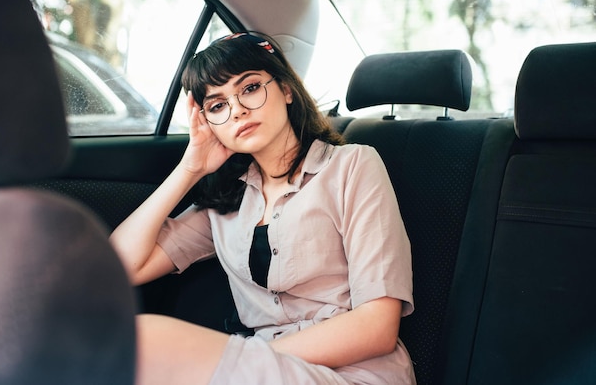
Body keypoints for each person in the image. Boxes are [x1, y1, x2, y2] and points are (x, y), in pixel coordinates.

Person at [110, 32, 415, 384]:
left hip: (353, 372)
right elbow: (120, 267)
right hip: (261, 370)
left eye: (250, 88)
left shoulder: (351, 166)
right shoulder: (227, 203)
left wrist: (244, 362)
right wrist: (190, 168)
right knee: (132, 342)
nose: (237, 109)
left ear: (286, 90)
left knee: (149, 339)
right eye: (217, 106)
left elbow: (377, 326)